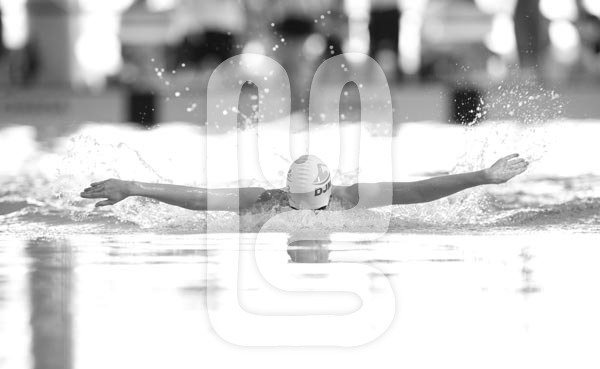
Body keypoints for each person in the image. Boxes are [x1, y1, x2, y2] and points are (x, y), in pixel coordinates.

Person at [80, 154, 529, 212]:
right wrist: (134, 186)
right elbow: (203, 199)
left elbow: (417, 190)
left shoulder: (352, 199)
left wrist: (482, 177)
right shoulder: (270, 200)